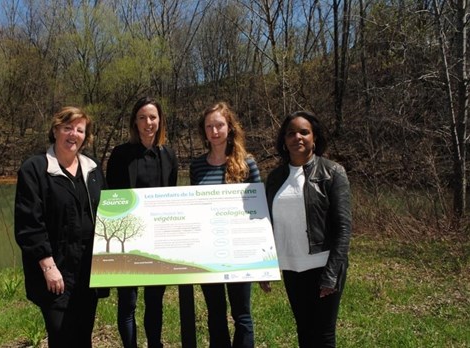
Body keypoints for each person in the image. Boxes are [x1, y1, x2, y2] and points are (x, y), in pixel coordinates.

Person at [14, 106, 106, 348]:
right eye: (67, 128)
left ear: (86, 136)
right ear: (55, 130)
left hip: (88, 269)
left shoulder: (93, 169)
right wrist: (47, 266)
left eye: (79, 129)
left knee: (84, 335)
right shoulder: (35, 169)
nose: (73, 134)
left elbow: (107, 214)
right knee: (61, 335)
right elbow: (29, 224)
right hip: (55, 271)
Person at [107, 96, 192, 348]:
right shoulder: (120, 155)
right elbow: (111, 198)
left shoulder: (168, 155)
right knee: (128, 302)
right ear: (135, 121)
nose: (148, 123)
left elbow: (171, 198)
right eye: (142, 117)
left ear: (160, 121)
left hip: (157, 240)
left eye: (153, 117)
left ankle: (155, 344)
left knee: (155, 300)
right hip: (127, 238)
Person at [264, 111, 352, 348]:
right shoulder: (275, 178)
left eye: (304, 132)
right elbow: (264, 225)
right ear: (284, 140)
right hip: (292, 267)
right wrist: (264, 268)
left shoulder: (333, 172)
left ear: (314, 137)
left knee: (323, 336)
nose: (297, 137)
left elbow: (344, 229)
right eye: (291, 133)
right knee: (304, 331)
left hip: (324, 265)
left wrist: (332, 274)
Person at [189, 101, 260, 348]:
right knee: (215, 313)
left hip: (240, 250)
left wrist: (263, 259)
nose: (214, 131)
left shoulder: (247, 163)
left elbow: (258, 211)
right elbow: (194, 208)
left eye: (219, 125)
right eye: (209, 126)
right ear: (204, 130)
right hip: (209, 252)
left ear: (229, 127)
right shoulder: (197, 166)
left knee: (242, 316)